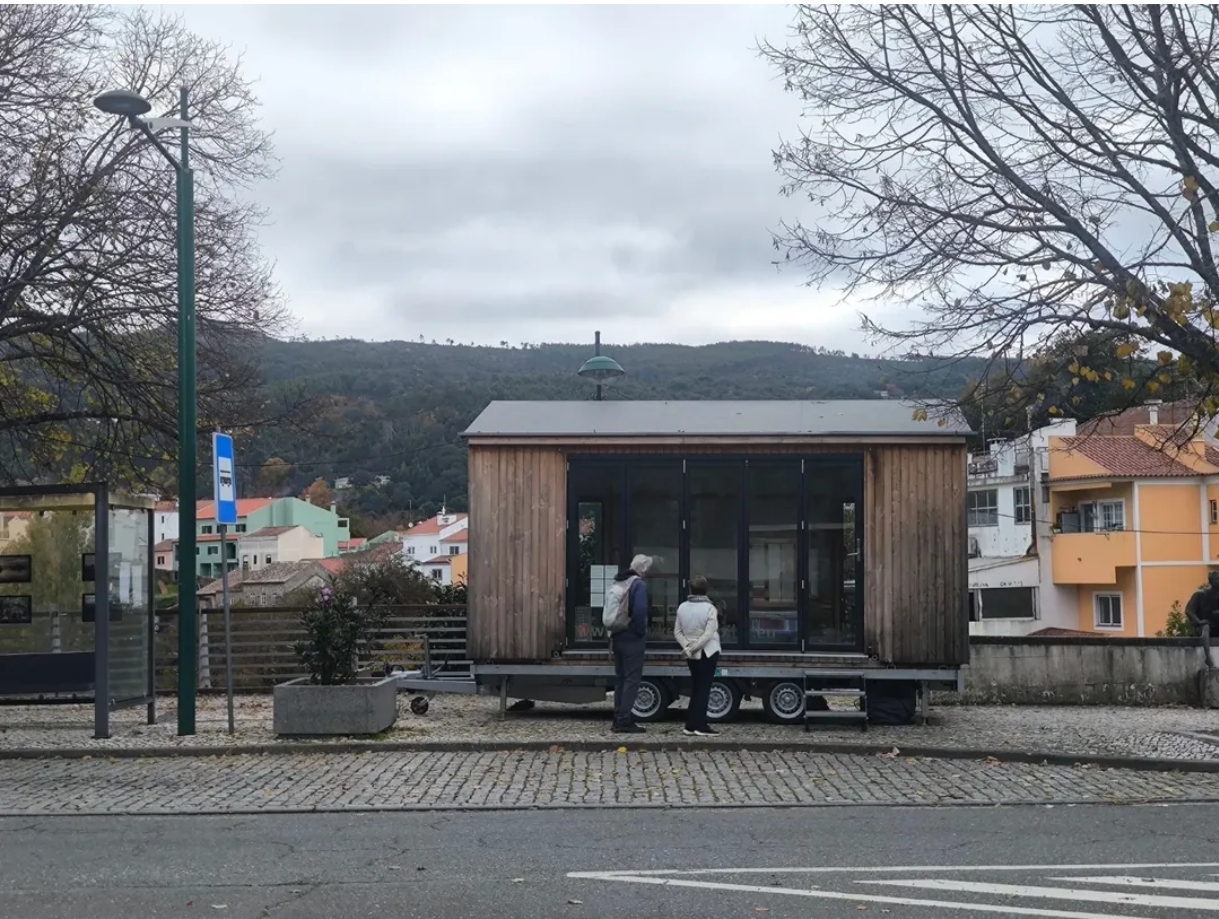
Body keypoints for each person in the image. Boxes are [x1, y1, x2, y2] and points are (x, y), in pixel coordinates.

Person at [674, 575, 722, 736]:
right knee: (704, 689)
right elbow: (709, 634)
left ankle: (690, 724)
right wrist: (695, 647)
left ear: (690, 589)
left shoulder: (682, 607)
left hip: (690, 654)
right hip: (708, 652)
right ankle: (700, 725)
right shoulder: (710, 608)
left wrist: (688, 647)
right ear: (706, 590)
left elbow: (677, 632)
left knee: (695, 687)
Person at [611, 554, 652, 734]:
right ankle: (624, 720)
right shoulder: (638, 585)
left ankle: (617, 716)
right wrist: (640, 632)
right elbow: (640, 610)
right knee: (631, 679)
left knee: (621, 678)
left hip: (617, 635)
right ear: (643, 568)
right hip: (632, 638)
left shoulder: (620, 582)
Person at [1186, 570, 1219, 669]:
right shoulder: (1200, 594)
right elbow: (1189, 611)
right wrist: (1199, 622)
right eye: (1217, 579)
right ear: (1211, 581)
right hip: (1202, 627)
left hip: (1216, 626)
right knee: (1206, 627)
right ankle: (1208, 658)